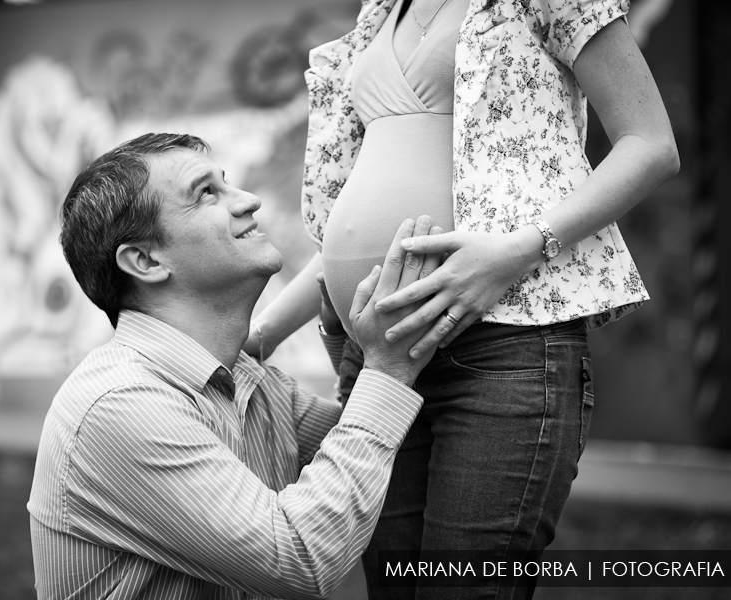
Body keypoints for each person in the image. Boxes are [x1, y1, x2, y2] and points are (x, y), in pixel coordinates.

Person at [246, 0, 680, 598]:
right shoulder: (380, 13)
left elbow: (651, 145)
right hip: (377, 360)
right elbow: (372, 218)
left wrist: (517, 252)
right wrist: (262, 334)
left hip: (503, 345)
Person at [27, 132, 448, 600]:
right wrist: (386, 368)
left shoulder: (246, 377)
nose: (249, 200)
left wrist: (348, 345)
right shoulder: (120, 406)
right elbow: (301, 559)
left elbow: (375, 461)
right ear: (146, 260)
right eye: (207, 192)